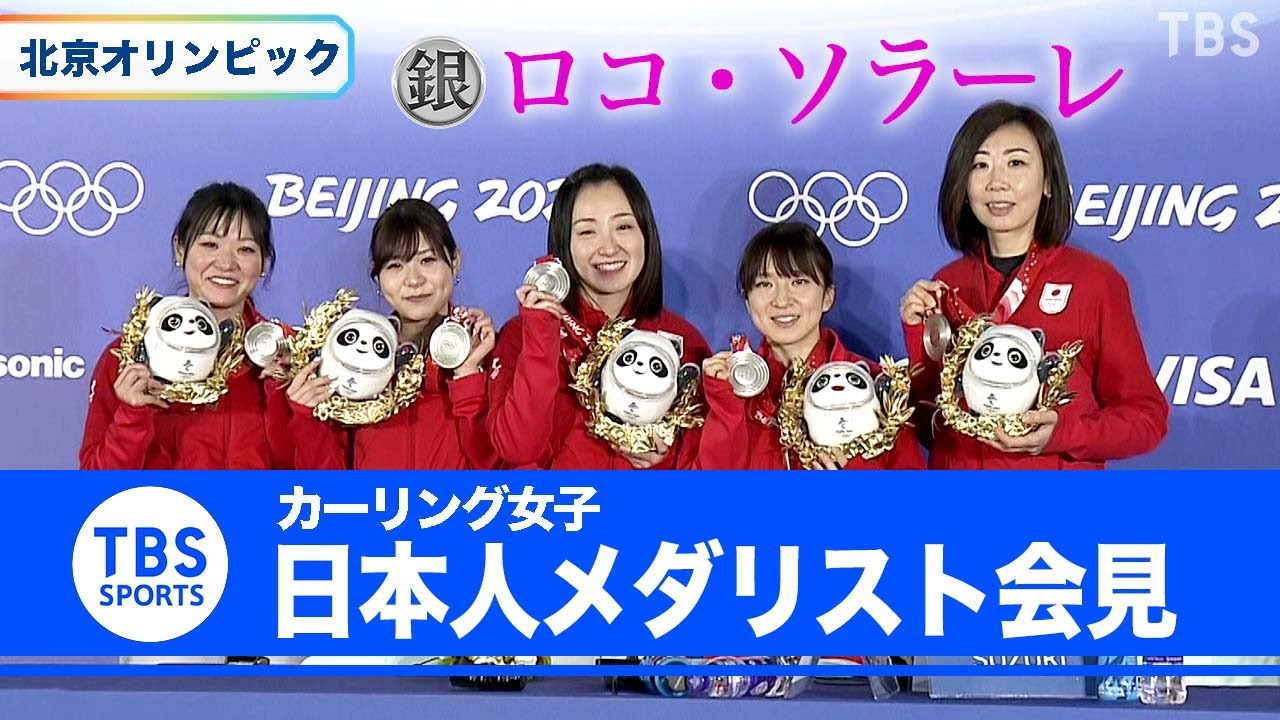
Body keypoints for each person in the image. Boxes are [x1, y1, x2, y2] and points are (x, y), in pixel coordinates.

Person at [899, 100, 1168, 469]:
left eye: (1016, 163)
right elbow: (934, 426)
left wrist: (1064, 433)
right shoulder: (947, 285)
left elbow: (1146, 418)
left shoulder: (1095, 282)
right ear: (963, 184)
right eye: (980, 165)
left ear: (1048, 183)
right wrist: (919, 335)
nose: (996, 182)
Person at [488, 163, 709, 469]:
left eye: (623, 227)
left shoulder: (685, 341)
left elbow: (710, 472)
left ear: (646, 234)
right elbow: (519, 449)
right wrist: (541, 335)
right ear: (564, 242)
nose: (608, 247)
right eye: (587, 231)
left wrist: (665, 457)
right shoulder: (523, 334)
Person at [80, 182, 293, 469]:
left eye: (245, 249)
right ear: (180, 249)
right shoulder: (126, 358)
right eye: (210, 245)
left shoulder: (290, 357)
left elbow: (319, 476)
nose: (226, 263)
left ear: (264, 261)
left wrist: (283, 397)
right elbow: (94, 485)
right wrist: (131, 417)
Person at [285, 198, 499, 469]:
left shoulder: (485, 351)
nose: (414, 280)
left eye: (427, 260)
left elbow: (496, 465)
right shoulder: (347, 354)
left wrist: (468, 379)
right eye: (395, 265)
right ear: (377, 275)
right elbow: (329, 482)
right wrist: (307, 419)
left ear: (454, 261)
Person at [698, 222, 924, 469]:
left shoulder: (876, 386)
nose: (782, 300)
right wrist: (726, 405)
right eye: (765, 284)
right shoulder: (729, 389)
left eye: (799, 282)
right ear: (748, 302)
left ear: (827, 296)